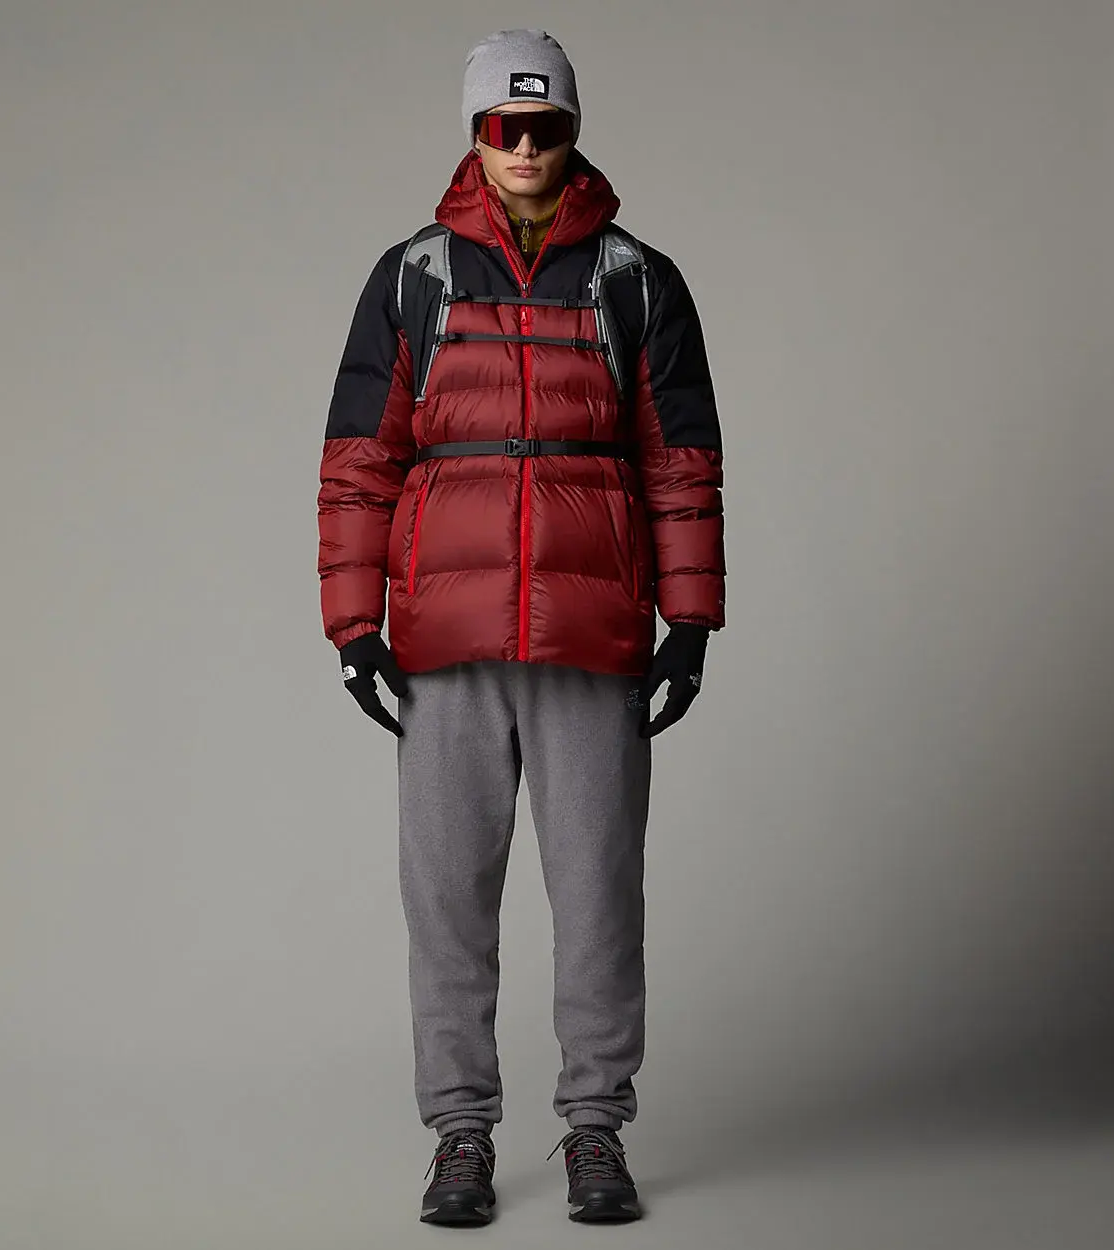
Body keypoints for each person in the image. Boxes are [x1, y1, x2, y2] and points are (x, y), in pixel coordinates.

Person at [316, 27, 725, 1226]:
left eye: (545, 127)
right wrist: (352, 622)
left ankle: (595, 1126)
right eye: (505, 127)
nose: (526, 148)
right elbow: (358, 458)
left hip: (593, 632)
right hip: (443, 638)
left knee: (598, 895)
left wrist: (689, 619)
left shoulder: (636, 279)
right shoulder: (412, 275)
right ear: (474, 132)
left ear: (573, 129)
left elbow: (680, 460)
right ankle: (460, 1133)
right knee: (446, 897)